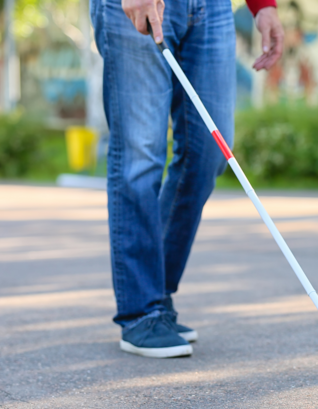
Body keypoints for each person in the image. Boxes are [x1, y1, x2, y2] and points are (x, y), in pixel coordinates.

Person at [90, 0, 284, 358]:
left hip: (212, 9)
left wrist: (263, 6)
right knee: (140, 154)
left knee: (208, 151)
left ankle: (154, 295)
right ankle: (142, 311)